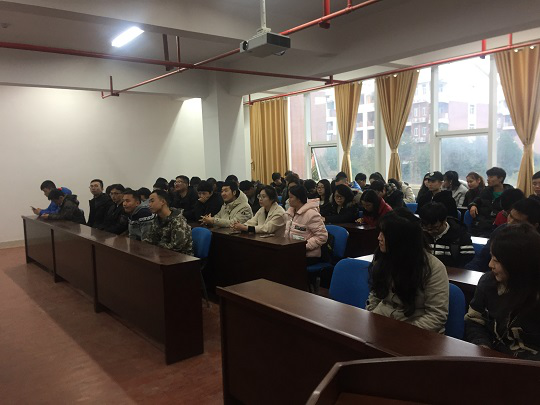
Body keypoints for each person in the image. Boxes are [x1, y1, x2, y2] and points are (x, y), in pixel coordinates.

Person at [464, 223, 540, 360]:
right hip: (493, 358)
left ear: (517, 264)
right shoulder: (488, 282)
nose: (490, 265)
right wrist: (482, 346)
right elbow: (475, 321)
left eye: (496, 260)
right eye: (491, 257)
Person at [366, 208, 449, 333]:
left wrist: (403, 334)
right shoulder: (382, 258)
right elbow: (375, 295)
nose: (379, 238)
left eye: (385, 234)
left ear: (401, 239)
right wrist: (373, 318)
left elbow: (436, 315)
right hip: (381, 322)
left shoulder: (434, 268)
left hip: (415, 330)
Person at [465, 197, 540, 272]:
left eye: (517, 221)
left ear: (534, 225)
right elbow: (482, 258)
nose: (510, 222)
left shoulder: (535, 245)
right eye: (510, 216)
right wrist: (468, 272)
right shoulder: (501, 230)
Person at [418, 202, 475, 267]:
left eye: (435, 227)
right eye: (426, 228)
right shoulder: (419, 233)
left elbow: (467, 261)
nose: (430, 232)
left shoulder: (460, 235)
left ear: (444, 220)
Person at [284, 185, 328, 265]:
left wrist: (303, 247)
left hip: (308, 255)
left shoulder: (311, 214)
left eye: (291, 197)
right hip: (293, 252)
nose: (288, 200)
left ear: (299, 199)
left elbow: (322, 236)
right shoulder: (290, 212)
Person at [143, 190, 193, 255]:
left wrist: (158, 246)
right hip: (162, 255)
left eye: (152, 201)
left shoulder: (178, 220)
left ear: (163, 202)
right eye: (149, 202)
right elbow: (150, 240)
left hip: (181, 257)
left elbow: (177, 247)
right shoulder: (157, 220)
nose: (149, 205)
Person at [468, 167, 513, 237]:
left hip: (499, 229)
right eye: (488, 177)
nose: (488, 179)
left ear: (500, 179)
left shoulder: (510, 194)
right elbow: (477, 199)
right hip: (481, 226)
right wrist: (473, 205)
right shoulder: (485, 191)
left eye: (491, 177)